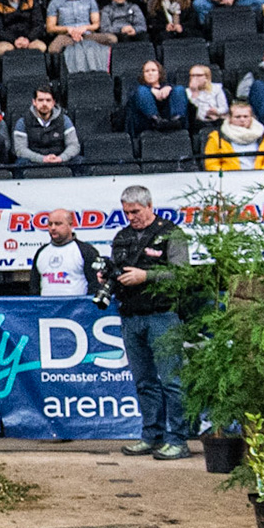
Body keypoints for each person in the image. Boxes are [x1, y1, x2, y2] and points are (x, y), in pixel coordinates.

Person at [111, 186, 191, 460]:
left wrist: (147, 276)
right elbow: (115, 270)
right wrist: (107, 278)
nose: (131, 217)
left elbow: (182, 274)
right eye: (126, 212)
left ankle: (178, 439)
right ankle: (151, 435)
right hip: (131, 315)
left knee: (172, 380)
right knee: (144, 381)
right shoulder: (121, 237)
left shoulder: (171, 233)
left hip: (162, 314)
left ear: (149, 206)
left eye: (135, 211)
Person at [28, 209, 103, 297]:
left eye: (58, 224)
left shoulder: (86, 251)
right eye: (50, 224)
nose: (53, 228)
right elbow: (34, 287)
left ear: (70, 225)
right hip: (47, 309)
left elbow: (95, 285)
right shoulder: (41, 252)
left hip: (77, 309)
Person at [12, 85, 81, 166]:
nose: (44, 104)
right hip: (34, 161)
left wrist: (61, 158)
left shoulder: (65, 120)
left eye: (48, 100)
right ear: (34, 102)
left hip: (59, 159)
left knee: (79, 161)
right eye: (40, 100)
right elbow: (20, 150)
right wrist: (42, 159)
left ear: (53, 102)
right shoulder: (22, 122)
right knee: (21, 163)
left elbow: (74, 145)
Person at [202, 101, 264, 171]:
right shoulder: (216, 137)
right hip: (229, 180)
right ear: (229, 118)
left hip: (260, 179)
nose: (242, 120)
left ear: (251, 118)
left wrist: (261, 173)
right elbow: (211, 164)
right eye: (238, 117)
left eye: (245, 116)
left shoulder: (263, 136)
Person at [125, 60, 190, 138]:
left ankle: (177, 120)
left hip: (170, 121)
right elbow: (132, 99)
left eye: (153, 70)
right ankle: (156, 120)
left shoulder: (169, 87)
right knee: (142, 91)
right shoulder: (137, 89)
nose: (150, 73)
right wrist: (150, 90)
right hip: (146, 123)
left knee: (179, 89)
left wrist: (170, 88)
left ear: (159, 73)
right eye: (147, 71)